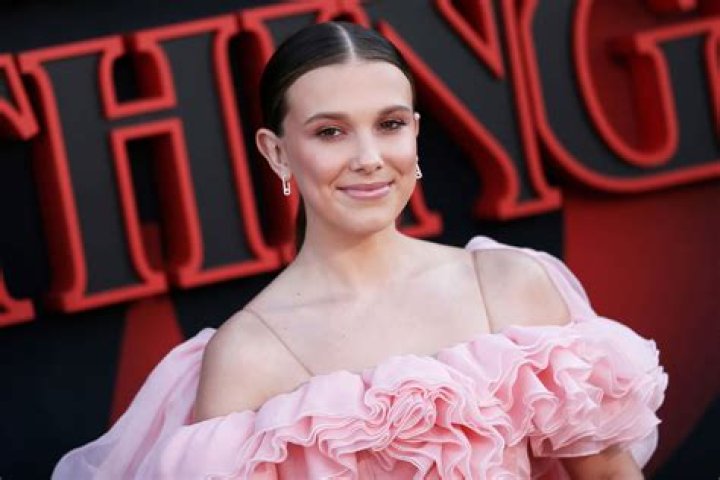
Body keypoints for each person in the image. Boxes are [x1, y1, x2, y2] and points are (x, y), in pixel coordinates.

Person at [53, 21, 667, 479]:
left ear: (415, 133)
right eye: (330, 132)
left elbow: (607, 475)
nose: (369, 157)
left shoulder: (509, 284)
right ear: (276, 152)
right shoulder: (249, 357)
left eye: (390, 124)